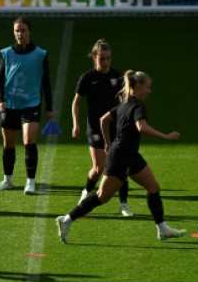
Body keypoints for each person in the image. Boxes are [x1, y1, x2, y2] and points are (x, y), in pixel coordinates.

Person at [56, 70, 186, 243]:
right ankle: (66, 220)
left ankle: (163, 229)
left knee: (153, 187)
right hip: (120, 157)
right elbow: (141, 127)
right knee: (102, 196)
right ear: (137, 87)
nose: (149, 91)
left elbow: (104, 120)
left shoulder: (124, 104)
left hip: (130, 156)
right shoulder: (137, 106)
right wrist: (165, 136)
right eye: (148, 87)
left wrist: (108, 143)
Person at [71, 39, 132, 217]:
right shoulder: (88, 78)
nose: (105, 62)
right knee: (99, 167)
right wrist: (76, 123)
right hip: (96, 129)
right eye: (102, 59)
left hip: (117, 129)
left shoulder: (118, 77)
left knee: (122, 166)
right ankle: (86, 192)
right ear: (94, 58)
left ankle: (124, 205)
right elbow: (77, 102)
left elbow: (126, 102)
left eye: (108, 58)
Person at [0, 17, 53, 195]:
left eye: (23, 30)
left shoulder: (40, 54)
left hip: (31, 103)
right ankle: (7, 180)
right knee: (9, 143)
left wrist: (49, 106)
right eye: (17, 31)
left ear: (30, 32)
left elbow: (46, 82)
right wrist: (0, 100)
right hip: (10, 104)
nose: (20, 34)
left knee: (29, 140)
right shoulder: (6, 53)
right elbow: (0, 78)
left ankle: (30, 182)